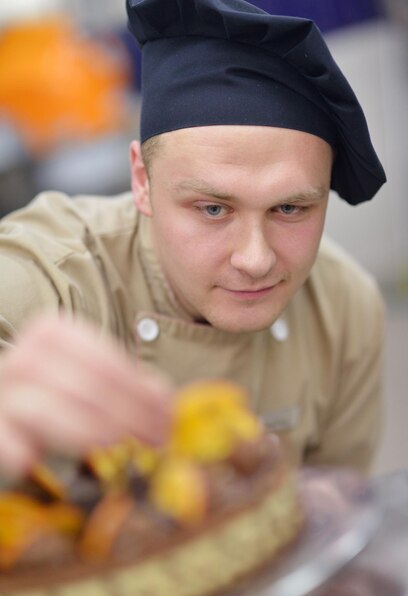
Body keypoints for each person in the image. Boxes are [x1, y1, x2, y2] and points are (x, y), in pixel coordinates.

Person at [0, 0, 386, 478]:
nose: (255, 259)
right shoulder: (45, 282)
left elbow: (341, 517)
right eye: (213, 209)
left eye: (289, 208)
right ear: (142, 180)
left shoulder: (346, 312)